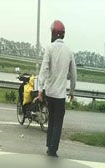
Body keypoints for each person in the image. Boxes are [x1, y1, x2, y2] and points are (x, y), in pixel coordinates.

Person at [36, 20, 77, 158]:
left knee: (51, 119)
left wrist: (40, 89)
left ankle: (49, 146)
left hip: (49, 92)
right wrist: (72, 91)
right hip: (60, 95)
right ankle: (53, 150)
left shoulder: (49, 48)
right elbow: (74, 74)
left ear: (53, 33)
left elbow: (43, 70)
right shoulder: (69, 51)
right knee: (58, 123)